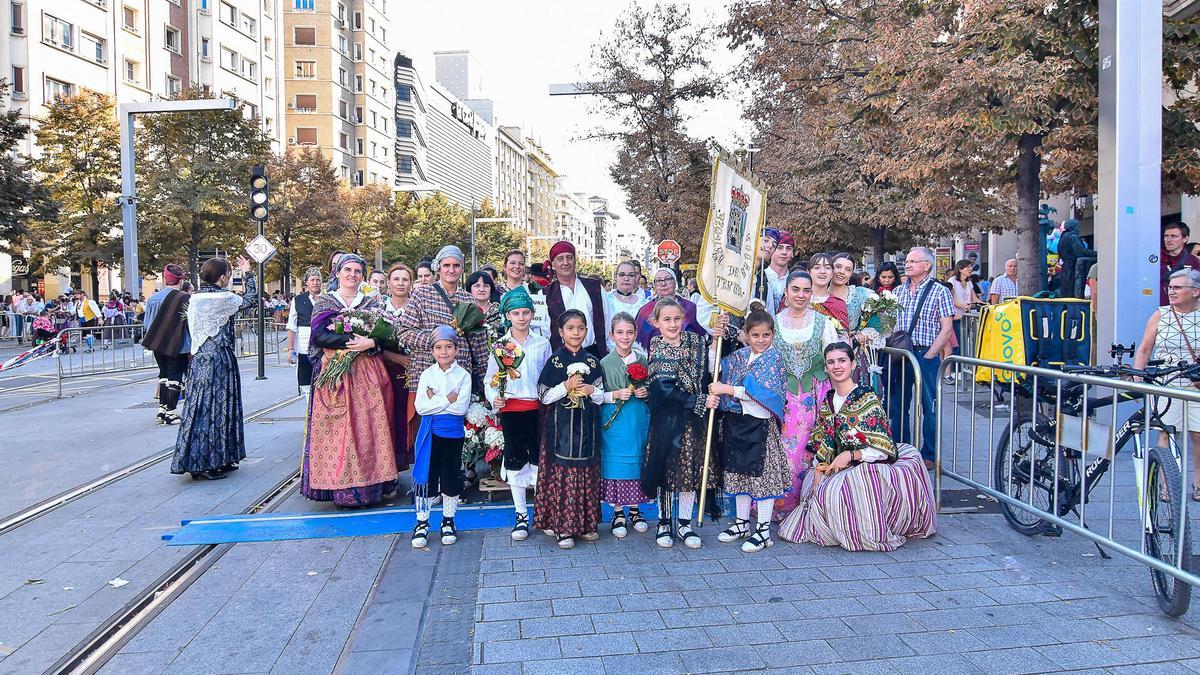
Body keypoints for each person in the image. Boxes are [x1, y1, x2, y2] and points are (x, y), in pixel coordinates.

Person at [778, 342, 937, 551]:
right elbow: (824, 439)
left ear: (853, 364)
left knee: (853, 485)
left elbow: (883, 445)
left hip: (869, 462)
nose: (837, 366)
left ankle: (861, 529)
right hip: (837, 463)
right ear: (826, 368)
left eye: (842, 360)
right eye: (831, 362)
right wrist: (820, 466)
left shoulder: (867, 398)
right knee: (817, 485)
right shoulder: (828, 401)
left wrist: (852, 455)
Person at [301, 253, 399, 508]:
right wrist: (352, 342)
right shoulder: (325, 301)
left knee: (369, 428)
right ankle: (342, 490)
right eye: (348, 269)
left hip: (368, 373)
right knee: (340, 430)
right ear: (338, 272)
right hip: (336, 371)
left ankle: (373, 486)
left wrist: (372, 341)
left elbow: (387, 335)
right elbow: (318, 336)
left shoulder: (371, 302)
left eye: (357, 271)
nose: (352, 275)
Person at [707, 310, 791, 552]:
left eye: (766, 335)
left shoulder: (774, 358)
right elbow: (716, 368)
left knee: (762, 478)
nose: (761, 340)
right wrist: (716, 340)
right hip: (737, 424)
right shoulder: (741, 355)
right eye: (755, 335)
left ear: (773, 335)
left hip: (760, 426)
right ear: (747, 335)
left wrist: (728, 390)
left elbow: (764, 393)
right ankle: (742, 523)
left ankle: (763, 530)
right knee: (739, 474)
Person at [171, 256, 257, 481]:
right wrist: (247, 273)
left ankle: (212, 459)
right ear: (222, 277)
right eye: (228, 274)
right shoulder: (221, 298)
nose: (228, 278)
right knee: (217, 407)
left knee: (201, 407)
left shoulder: (196, 298)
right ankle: (208, 461)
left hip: (201, 358)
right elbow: (250, 299)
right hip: (218, 357)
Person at [642, 297, 717, 549]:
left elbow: (711, 363)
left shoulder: (696, 341)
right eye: (666, 319)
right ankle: (664, 522)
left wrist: (717, 337)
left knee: (689, 470)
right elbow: (663, 389)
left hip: (694, 420)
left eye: (677, 319)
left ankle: (684, 523)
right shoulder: (657, 345)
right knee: (666, 470)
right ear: (656, 322)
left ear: (684, 319)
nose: (673, 324)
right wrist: (699, 400)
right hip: (667, 420)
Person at [484, 286, 552, 541]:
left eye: (526, 312)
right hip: (512, 409)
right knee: (515, 460)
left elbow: (547, 377)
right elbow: (490, 378)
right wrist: (495, 397)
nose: (521, 317)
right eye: (516, 313)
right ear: (507, 316)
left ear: (532, 314)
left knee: (538, 458)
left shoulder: (542, 343)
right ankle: (521, 514)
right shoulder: (500, 345)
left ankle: (543, 513)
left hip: (537, 408)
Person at [535, 309, 604, 550]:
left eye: (581, 328)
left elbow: (601, 396)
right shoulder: (555, 360)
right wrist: (566, 385)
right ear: (560, 331)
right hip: (560, 427)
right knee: (562, 474)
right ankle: (561, 526)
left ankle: (585, 525)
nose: (576, 332)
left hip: (587, 427)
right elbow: (543, 396)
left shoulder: (593, 361)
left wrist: (591, 392)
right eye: (571, 328)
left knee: (585, 473)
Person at [774, 270, 839, 516]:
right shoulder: (775, 321)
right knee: (786, 450)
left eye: (806, 290)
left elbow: (833, 359)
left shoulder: (822, 322)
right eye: (796, 290)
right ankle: (782, 504)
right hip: (784, 399)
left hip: (816, 396)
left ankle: (812, 504)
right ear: (786, 292)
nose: (801, 295)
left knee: (812, 448)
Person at [1134, 269, 1200, 501]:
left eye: (1178, 287)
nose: (1172, 291)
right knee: (1167, 433)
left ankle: (1198, 484)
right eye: (1170, 287)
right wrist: (1137, 378)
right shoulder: (1161, 315)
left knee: (1198, 435)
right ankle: (1166, 485)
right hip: (1167, 383)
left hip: (1196, 386)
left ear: (1195, 291)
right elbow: (1144, 348)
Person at [397, 245, 489, 404]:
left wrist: (485, 383)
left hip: (459, 376)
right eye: (446, 265)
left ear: (461, 269)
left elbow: (479, 346)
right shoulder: (422, 294)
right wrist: (437, 341)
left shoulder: (469, 300)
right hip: (426, 375)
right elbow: (404, 332)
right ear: (437, 268)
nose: (451, 270)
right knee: (425, 426)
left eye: (456, 265)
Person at [890, 247, 955, 466]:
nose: (907, 265)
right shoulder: (898, 291)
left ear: (926, 265)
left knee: (930, 405)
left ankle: (929, 454)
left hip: (925, 352)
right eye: (906, 261)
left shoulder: (939, 291)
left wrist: (930, 355)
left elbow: (946, 328)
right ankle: (901, 448)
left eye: (912, 261)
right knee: (898, 405)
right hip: (901, 354)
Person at [411, 325, 471, 547]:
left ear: (456, 349)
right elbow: (420, 407)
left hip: (453, 432)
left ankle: (448, 520)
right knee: (426, 476)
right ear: (432, 351)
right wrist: (447, 399)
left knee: (450, 476)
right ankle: (422, 522)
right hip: (430, 432)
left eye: (448, 347)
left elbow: (460, 408)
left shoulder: (463, 375)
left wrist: (435, 399)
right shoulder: (427, 374)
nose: (443, 352)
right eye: (438, 347)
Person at [596, 312, 653, 539]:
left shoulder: (642, 360)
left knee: (636, 462)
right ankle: (618, 511)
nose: (625, 337)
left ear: (636, 334)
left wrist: (645, 391)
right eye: (620, 332)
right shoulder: (604, 363)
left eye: (629, 332)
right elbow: (597, 395)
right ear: (611, 335)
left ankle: (636, 510)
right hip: (614, 420)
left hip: (637, 418)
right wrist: (615, 394)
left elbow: (651, 387)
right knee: (616, 464)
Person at [142, 264, 190, 425]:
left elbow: (147, 324)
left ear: (165, 279)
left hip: (157, 343)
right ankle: (171, 412)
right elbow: (187, 325)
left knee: (163, 375)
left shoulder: (153, 299)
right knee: (175, 377)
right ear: (181, 280)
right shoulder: (184, 298)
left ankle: (161, 410)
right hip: (178, 344)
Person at [543, 241, 608, 358]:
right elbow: (545, 331)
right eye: (560, 258)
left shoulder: (595, 287)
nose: (565, 262)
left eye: (569, 257)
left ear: (575, 260)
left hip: (594, 353)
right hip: (561, 356)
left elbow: (608, 319)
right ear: (553, 264)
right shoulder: (546, 293)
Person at [381, 263, 415, 471]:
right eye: (396, 279)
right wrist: (394, 357)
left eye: (405, 279)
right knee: (389, 416)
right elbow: (373, 345)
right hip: (387, 370)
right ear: (389, 283)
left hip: (413, 370)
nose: (401, 283)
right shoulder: (379, 309)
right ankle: (389, 466)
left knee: (410, 417)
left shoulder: (416, 307)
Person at [634, 267, 705, 350]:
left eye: (667, 279)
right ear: (655, 285)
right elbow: (640, 341)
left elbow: (701, 336)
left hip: (687, 357)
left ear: (675, 282)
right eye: (659, 281)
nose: (663, 284)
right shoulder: (645, 311)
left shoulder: (690, 308)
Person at [286, 268, 324, 398]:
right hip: (304, 347)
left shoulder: (328, 298)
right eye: (312, 280)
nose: (315, 283)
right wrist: (290, 349)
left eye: (318, 280)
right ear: (306, 283)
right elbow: (292, 326)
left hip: (324, 347)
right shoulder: (298, 300)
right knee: (307, 385)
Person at [605, 261, 650, 353]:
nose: (626, 278)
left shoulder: (644, 303)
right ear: (616, 277)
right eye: (622, 275)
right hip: (611, 354)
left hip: (639, 355)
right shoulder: (605, 300)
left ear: (636, 278)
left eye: (631, 275)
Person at [946, 259, 978, 380]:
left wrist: (983, 303)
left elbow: (974, 297)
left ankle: (961, 370)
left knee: (965, 344)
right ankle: (954, 371)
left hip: (966, 317)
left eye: (971, 267)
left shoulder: (969, 283)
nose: (970, 269)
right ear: (960, 269)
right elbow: (950, 299)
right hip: (955, 317)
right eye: (968, 267)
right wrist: (962, 305)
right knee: (956, 344)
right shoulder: (952, 281)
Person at [1161, 222, 1200, 305]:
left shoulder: (1193, 261)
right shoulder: (1154, 259)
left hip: (1185, 310)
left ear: (1185, 238)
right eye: (1166, 236)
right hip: (1159, 309)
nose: (1168, 240)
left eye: (1173, 236)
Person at [765, 231, 794, 306]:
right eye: (780, 248)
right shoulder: (760, 277)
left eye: (788, 248)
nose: (784, 252)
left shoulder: (795, 280)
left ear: (792, 253)